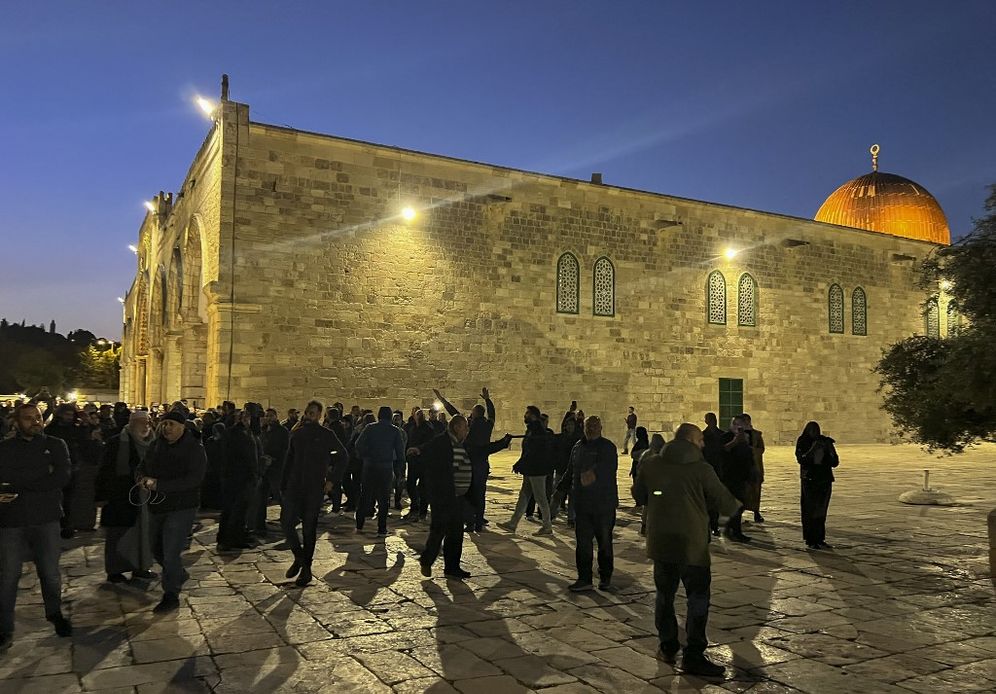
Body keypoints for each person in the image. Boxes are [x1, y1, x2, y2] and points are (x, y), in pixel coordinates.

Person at [632, 423, 744, 677]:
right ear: (692, 441)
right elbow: (725, 503)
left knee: (664, 596)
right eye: (701, 440)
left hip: (662, 543)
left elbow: (639, 495)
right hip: (692, 545)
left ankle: (668, 645)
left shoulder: (651, 465)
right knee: (698, 597)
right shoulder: (701, 469)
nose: (703, 444)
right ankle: (693, 654)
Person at [0, 403, 73, 652]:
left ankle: (55, 613)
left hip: (46, 517)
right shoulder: (5, 448)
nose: (34, 422)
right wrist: (41, 477)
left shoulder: (55, 445)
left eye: (37, 417)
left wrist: (18, 485)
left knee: (50, 573)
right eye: (28, 418)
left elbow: (62, 477)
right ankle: (5, 628)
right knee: (8, 576)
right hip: (12, 520)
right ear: (16, 421)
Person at [413, 415, 510, 579]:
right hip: (443, 496)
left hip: (458, 497)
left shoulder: (463, 445)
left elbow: (482, 450)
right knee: (438, 530)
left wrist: (503, 443)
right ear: (457, 427)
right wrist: (418, 450)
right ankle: (426, 560)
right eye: (465, 427)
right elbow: (427, 450)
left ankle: (452, 567)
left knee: (456, 532)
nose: (467, 430)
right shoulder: (442, 442)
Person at [136, 411, 207, 614]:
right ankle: (178, 573)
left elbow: (194, 479)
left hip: (182, 507)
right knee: (155, 547)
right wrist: (141, 478)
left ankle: (171, 594)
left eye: (171, 424)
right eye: (165, 423)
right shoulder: (156, 445)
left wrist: (161, 485)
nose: (167, 427)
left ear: (182, 426)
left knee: (170, 551)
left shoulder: (194, 448)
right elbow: (142, 466)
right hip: (157, 505)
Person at [280, 400, 348, 587]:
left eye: (313, 413)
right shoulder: (297, 433)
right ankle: (299, 556)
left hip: (313, 486)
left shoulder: (326, 435)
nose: (309, 415)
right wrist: (283, 485)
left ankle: (306, 569)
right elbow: (289, 459)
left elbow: (342, 456)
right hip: (295, 485)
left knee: (309, 528)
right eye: (307, 412)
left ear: (319, 415)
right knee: (286, 522)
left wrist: (331, 480)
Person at [96, 410, 157, 582]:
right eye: (142, 422)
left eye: (147, 422)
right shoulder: (117, 442)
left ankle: (141, 566)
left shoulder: (154, 443)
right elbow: (105, 469)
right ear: (132, 423)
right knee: (119, 535)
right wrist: (101, 495)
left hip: (146, 497)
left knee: (143, 534)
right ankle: (115, 570)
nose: (145, 426)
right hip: (121, 496)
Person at [434, 387, 497, 532]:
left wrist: (442, 399)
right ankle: (479, 522)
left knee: (468, 494)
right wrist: (488, 400)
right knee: (480, 494)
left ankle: (470, 522)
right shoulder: (488, 425)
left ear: (475, 413)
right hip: (482, 463)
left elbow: (454, 413)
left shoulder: (469, 425)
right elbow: (492, 413)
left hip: (469, 463)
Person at [568, 415, 618, 592]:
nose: (591, 428)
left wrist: (592, 474)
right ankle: (584, 578)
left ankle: (605, 578)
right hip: (583, 504)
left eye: (595, 425)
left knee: (604, 543)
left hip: (603, 504)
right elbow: (571, 470)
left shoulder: (607, 447)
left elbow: (607, 469)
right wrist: (560, 490)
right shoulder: (578, 446)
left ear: (601, 428)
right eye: (589, 425)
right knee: (583, 543)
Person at [498, 406, 554, 536]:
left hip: (537, 469)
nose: (525, 416)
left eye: (527, 413)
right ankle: (513, 523)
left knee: (540, 497)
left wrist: (520, 463)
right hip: (531, 469)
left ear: (533, 415)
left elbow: (533, 451)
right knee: (524, 495)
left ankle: (547, 526)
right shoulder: (532, 429)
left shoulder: (537, 430)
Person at [354, 407, 405, 537]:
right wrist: (400, 470)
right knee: (384, 498)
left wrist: (365, 455)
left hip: (370, 466)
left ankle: (359, 525)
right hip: (386, 467)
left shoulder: (370, 428)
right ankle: (381, 528)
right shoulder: (395, 431)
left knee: (365, 495)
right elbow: (400, 452)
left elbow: (358, 444)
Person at [217, 409, 258, 551]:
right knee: (237, 510)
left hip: (231, 477)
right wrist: (254, 472)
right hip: (240, 478)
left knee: (231, 509)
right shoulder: (241, 435)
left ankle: (228, 538)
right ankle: (231, 539)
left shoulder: (232, 433)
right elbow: (248, 457)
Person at [795, 421, 839, 550]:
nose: (815, 433)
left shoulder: (825, 442)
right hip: (810, 480)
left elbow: (835, 462)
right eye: (812, 430)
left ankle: (820, 538)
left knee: (821, 510)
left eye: (816, 430)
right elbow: (801, 459)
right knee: (810, 510)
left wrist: (829, 449)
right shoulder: (803, 441)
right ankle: (811, 539)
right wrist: (814, 448)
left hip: (824, 479)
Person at [251, 408, 289, 538]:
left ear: (276, 416)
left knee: (279, 495)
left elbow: (285, 449)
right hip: (265, 469)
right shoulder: (264, 430)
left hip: (277, 468)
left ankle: (290, 520)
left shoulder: (282, 431)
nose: (268, 418)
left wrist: (275, 459)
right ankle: (259, 526)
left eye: (271, 416)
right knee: (261, 497)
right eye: (267, 416)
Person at [720, 416, 753, 542]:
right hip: (730, 476)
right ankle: (734, 531)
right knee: (735, 505)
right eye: (737, 425)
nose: (739, 428)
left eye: (741, 425)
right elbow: (722, 451)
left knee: (741, 504)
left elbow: (748, 455)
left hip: (742, 475)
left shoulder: (746, 437)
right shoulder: (726, 437)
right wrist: (735, 441)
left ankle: (732, 529)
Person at [403, 409, 435, 522]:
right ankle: (414, 507)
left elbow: (430, 443)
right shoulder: (412, 427)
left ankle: (422, 511)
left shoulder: (428, 428)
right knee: (410, 485)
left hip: (424, 461)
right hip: (413, 461)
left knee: (423, 487)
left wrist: (419, 449)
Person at [702, 413, 725, 536]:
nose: (713, 421)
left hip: (719, 469)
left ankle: (715, 524)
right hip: (707, 470)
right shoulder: (703, 436)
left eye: (714, 419)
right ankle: (710, 524)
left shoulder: (722, 435)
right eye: (710, 419)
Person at [741, 413, 766, 523]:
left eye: (747, 420)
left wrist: (752, 450)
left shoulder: (756, 434)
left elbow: (761, 448)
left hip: (755, 466)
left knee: (756, 490)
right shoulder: (737, 434)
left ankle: (756, 511)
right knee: (742, 490)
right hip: (742, 466)